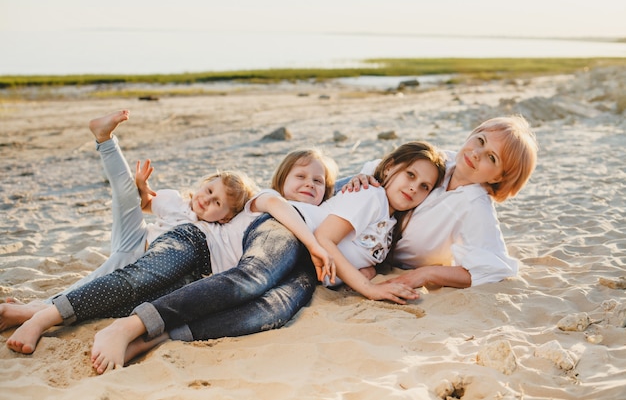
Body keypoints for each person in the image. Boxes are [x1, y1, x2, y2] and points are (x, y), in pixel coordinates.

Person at [87, 140, 447, 373]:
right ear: (388, 169)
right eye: (410, 175)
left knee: (273, 310)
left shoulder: (387, 219)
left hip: (310, 265)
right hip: (292, 231)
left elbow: (359, 253)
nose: (413, 187)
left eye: (424, 186)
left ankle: (160, 337)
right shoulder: (372, 196)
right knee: (251, 279)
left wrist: (369, 273)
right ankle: (130, 326)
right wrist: (370, 290)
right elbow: (326, 237)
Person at [5, 148, 338, 356]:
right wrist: (313, 244)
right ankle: (46, 317)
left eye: (318, 182)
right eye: (301, 176)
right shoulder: (264, 203)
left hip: (208, 274)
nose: (310, 183)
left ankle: (31, 312)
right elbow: (277, 206)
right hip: (194, 242)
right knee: (138, 280)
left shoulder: (325, 210)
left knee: (274, 309)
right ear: (282, 180)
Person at [0, 109, 257, 331]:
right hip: (136, 237)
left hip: (138, 261)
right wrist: (142, 186)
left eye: (217, 204)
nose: (207, 200)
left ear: (226, 218)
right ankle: (105, 139)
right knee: (125, 192)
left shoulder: (210, 231)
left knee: (95, 282)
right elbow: (144, 204)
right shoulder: (174, 200)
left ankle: (34, 310)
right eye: (210, 191)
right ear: (205, 183)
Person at [345, 114, 538, 288]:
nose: (476, 153)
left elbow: (494, 268)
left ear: (498, 178)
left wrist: (427, 274)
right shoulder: (443, 160)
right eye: (480, 140)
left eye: (491, 158)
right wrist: (362, 177)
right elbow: (385, 166)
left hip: (369, 251)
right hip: (354, 209)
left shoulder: (475, 207)